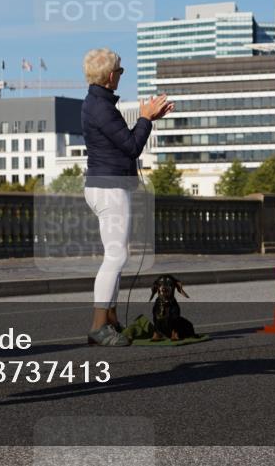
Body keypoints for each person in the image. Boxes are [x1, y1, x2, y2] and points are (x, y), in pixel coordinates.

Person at [80, 48, 173, 346]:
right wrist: (146, 118)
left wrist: (149, 118)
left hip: (104, 185)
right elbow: (132, 146)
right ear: (111, 76)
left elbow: (122, 143)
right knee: (116, 256)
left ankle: (110, 320)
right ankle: (99, 326)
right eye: (120, 71)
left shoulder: (96, 103)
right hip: (110, 189)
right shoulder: (102, 107)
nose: (121, 75)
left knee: (115, 254)